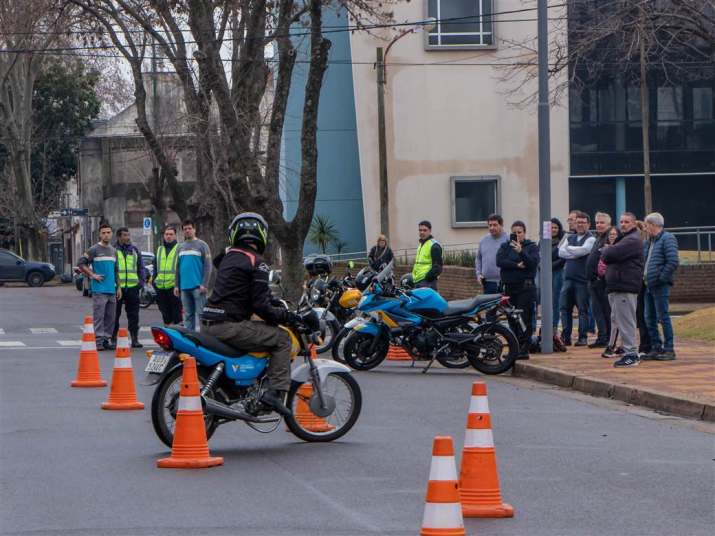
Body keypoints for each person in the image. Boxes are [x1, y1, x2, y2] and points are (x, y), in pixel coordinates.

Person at [201, 212, 316, 416]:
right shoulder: (257, 262)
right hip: (229, 325)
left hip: (210, 322)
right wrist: (287, 317)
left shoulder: (229, 257)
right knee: (281, 338)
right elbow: (260, 306)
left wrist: (275, 304)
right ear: (262, 234)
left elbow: (250, 293)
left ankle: (241, 388)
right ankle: (274, 394)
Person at [601, 212, 644, 368]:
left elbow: (608, 254)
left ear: (633, 223)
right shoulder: (625, 239)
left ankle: (631, 354)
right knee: (620, 320)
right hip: (617, 286)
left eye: (626, 222)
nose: (623, 224)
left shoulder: (632, 240)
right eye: (621, 221)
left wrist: (607, 249)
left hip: (625, 286)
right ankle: (628, 352)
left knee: (626, 321)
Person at [496, 220, 540, 359]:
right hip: (509, 288)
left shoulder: (531, 247)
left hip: (525, 289)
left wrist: (521, 252)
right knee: (511, 319)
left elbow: (532, 263)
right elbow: (500, 261)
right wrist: (516, 265)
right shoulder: (505, 246)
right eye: (514, 233)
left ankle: (524, 349)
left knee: (523, 318)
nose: (517, 235)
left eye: (519, 232)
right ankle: (514, 348)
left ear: (524, 233)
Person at [642, 212, 679, 361]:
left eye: (646, 225)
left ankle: (669, 349)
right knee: (649, 317)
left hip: (659, 285)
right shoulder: (649, 242)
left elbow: (672, 262)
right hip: (648, 285)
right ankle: (656, 347)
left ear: (653, 225)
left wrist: (660, 278)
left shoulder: (667, 238)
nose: (645, 229)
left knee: (663, 317)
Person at [78, 223, 121, 350]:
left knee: (111, 317)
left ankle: (107, 339)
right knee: (99, 316)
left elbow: (116, 270)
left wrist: (118, 287)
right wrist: (92, 275)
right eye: (103, 233)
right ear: (99, 234)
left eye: (108, 232)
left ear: (112, 234)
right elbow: (81, 263)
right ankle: (98, 340)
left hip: (111, 290)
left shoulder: (114, 251)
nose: (106, 235)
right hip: (99, 290)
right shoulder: (94, 250)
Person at [558, 211, 595, 346]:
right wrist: (575, 253)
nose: (580, 225)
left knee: (582, 310)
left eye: (583, 222)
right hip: (568, 279)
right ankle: (566, 337)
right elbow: (560, 252)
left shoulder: (591, 238)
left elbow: (584, 250)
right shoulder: (570, 237)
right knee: (564, 308)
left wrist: (570, 250)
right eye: (578, 222)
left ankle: (582, 338)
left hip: (582, 280)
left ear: (588, 224)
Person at [175, 220, 212, 331]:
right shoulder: (180, 247)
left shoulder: (202, 245)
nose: (187, 230)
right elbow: (177, 268)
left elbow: (208, 266)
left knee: (201, 316)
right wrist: (176, 285)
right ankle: (190, 342)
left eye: (189, 228)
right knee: (188, 317)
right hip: (184, 288)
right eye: (185, 229)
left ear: (194, 230)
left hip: (198, 288)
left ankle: (204, 341)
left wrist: (204, 284)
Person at [111, 228, 144, 348]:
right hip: (117, 288)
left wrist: (140, 283)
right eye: (125, 235)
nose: (128, 238)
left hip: (132, 287)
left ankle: (135, 339)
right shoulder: (113, 250)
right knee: (115, 314)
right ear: (119, 237)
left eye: (128, 235)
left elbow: (141, 267)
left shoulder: (134, 250)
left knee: (134, 315)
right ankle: (113, 338)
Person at [585, 212, 612, 348]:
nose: (599, 225)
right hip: (593, 281)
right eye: (597, 222)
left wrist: (600, 277)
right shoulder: (598, 237)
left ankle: (606, 338)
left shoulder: (609, 238)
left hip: (602, 281)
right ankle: (602, 337)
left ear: (608, 224)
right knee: (597, 311)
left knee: (605, 311)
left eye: (602, 222)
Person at [153, 225, 183, 326]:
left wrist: (179, 286)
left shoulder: (180, 248)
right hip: (161, 288)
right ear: (163, 236)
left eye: (171, 234)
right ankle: (168, 338)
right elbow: (156, 268)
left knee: (177, 316)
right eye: (166, 234)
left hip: (174, 288)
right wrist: (154, 283)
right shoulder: (160, 249)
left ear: (175, 236)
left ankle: (178, 338)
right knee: (165, 316)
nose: (168, 236)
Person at [476, 213, 509, 295]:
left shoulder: (508, 240)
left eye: (495, 225)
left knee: (504, 307)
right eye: (490, 225)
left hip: (505, 283)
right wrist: (478, 274)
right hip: (488, 283)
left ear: (501, 225)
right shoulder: (483, 240)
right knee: (489, 308)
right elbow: (478, 258)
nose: (492, 228)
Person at [635, 221, 652, 356]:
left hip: (644, 284)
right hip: (636, 284)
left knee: (646, 316)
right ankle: (644, 344)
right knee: (640, 316)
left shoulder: (644, 245)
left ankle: (648, 344)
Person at [412, 220, 443, 290]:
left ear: (430, 231)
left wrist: (428, 278)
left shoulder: (434, 246)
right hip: (418, 280)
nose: (422, 232)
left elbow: (438, 267)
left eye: (425, 230)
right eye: (420, 230)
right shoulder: (421, 244)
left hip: (427, 282)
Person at [550, 218, 566, 331]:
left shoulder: (562, 241)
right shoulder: (542, 241)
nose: (553, 229)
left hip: (558, 272)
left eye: (556, 227)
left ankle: (554, 326)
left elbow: (562, 258)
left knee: (555, 300)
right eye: (551, 227)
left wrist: (548, 265)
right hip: (544, 274)